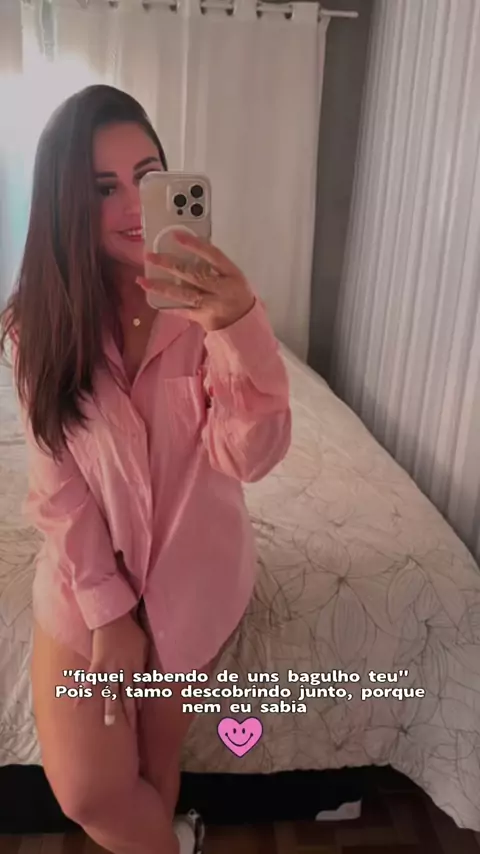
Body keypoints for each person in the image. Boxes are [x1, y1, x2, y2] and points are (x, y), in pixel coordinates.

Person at [0, 85, 291, 854]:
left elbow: (251, 456)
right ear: (66, 202)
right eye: (103, 188)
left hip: (194, 575)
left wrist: (239, 329)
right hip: (86, 578)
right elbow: (56, 484)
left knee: (157, 764)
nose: (134, 204)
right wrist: (107, 611)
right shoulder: (37, 324)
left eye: (148, 176)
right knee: (89, 788)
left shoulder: (211, 306)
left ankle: (168, 833)